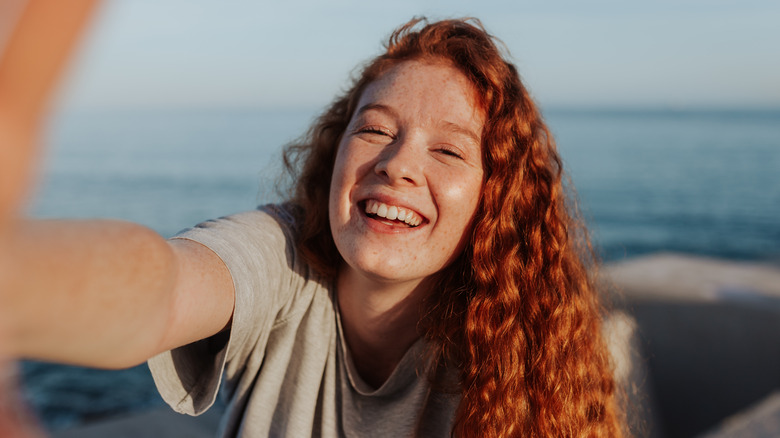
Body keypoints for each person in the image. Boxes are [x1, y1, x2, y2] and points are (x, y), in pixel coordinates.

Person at [0, 7, 624, 438]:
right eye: (375, 129)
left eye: (449, 150)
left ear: (495, 197)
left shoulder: (522, 349)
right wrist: (19, 282)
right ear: (335, 155)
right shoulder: (281, 257)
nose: (398, 164)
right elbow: (161, 288)